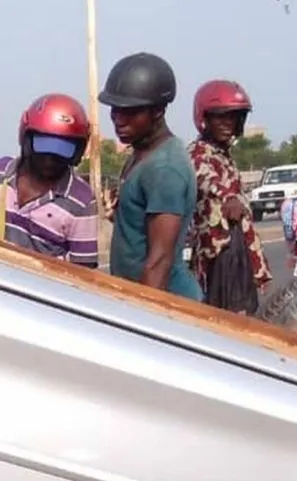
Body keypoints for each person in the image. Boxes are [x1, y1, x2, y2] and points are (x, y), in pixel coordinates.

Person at [99, 52, 201, 300]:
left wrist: (142, 322)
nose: (119, 120)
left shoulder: (164, 169)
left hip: (167, 302)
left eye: (130, 111)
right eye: (115, 109)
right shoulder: (141, 155)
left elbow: (159, 261)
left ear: (157, 111)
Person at [0, 93, 99, 267]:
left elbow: (84, 270)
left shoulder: (81, 200)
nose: (50, 160)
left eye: (60, 153)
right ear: (26, 140)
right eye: (43, 150)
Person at [186, 79, 272, 292]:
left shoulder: (224, 155)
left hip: (237, 249)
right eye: (220, 117)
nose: (228, 124)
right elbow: (205, 179)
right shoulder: (198, 153)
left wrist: (258, 264)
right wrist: (227, 197)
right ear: (204, 118)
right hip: (217, 253)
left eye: (233, 118)